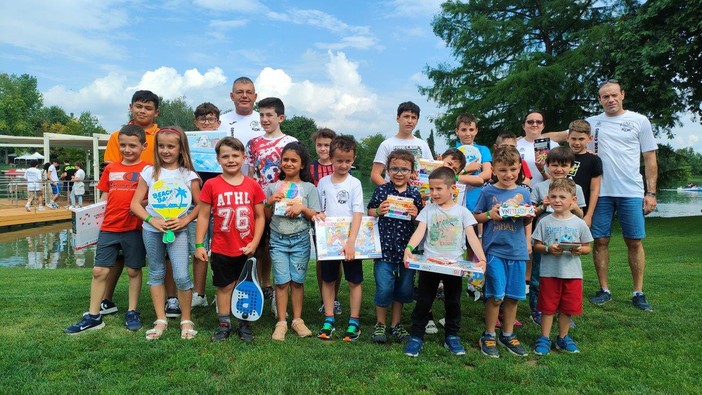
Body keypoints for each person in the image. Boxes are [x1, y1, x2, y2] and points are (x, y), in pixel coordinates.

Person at [100, 90, 183, 318]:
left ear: (156, 112)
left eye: (148, 108)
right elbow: (112, 169)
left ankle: (172, 299)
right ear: (131, 107)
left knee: (165, 251)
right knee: (118, 254)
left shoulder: (163, 135)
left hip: (158, 202)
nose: (142, 111)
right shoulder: (118, 136)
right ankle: (106, 299)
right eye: (139, 106)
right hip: (124, 205)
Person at [64, 125, 149, 334]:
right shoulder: (111, 169)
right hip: (109, 227)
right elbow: (104, 198)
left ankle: (132, 311)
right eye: (123, 145)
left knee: (133, 270)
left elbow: (153, 199)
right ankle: (94, 316)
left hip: (135, 228)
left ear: (143, 146)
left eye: (132, 145)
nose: (127, 150)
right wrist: (88, 219)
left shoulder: (148, 170)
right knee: (99, 270)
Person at [587, 80, 657, 311]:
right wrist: (527, 138)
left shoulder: (639, 121)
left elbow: (649, 159)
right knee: (601, 240)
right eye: (605, 97)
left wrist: (651, 192)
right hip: (601, 193)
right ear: (599, 100)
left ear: (623, 95)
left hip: (631, 191)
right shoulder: (592, 123)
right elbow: (564, 134)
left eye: (614, 95)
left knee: (634, 241)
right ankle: (604, 289)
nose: (610, 100)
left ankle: (638, 292)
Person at [402, 167, 487, 357]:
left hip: (454, 267)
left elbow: (472, 237)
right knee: (423, 301)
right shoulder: (428, 210)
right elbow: (419, 232)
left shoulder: (463, 212)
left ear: (452, 189)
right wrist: (408, 249)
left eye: (439, 189)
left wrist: (481, 259)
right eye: (431, 189)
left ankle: (452, 336)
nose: (434, 193)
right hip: (429, 265)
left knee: (453, 302)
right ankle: (416, 336)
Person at [130, 127, 201, 340]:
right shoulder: (149, 173)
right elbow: (135, 204)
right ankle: (160, 319)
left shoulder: (189, 175)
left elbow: (201, 205)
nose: (165, 150)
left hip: (178, 231)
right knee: (157, 273)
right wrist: (153, 220)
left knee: (181, 274)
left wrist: (185, 220)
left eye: (171, 146)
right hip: (151, 230)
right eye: (161, 146)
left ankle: (186, 320)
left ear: (181, 149)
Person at [195, 137, 265, 342]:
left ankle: (244, 323)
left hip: (246, 248)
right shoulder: (211, 184)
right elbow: (204, 216)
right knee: (224, 287)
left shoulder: (252, 185)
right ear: (218, 159)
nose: (231, 160)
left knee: (246, 286)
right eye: (225, 156)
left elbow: (260, 216)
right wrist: (200, 244)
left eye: (235, 155)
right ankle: (224, 323)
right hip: (221, 247)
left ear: (244, 158)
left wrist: (255, 242)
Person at [474, 146, 533, 358]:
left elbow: (527, 219)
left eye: (513, 169)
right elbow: (477, 216)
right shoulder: (488, 191)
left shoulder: (524, 192)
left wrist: (528, 214)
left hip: (517, 252)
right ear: (494, 171)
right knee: (496, 296)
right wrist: (490, 214)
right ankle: (489, 334)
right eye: (503, 170)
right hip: (495, 251)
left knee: (513, 297)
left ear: (519, 168)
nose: (508, 174)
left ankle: (507, 334)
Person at [264, 142, 321, 340]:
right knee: (281, 283)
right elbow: (263, 216)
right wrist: (270, 202)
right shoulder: (272, 187)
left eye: (294, 160)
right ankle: (281, 322)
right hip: (278, 240)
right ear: (280, 162)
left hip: (300, 241)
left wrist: (302, 209)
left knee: (297, 282)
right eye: (285, 159)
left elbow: (317, 215)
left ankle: (297, 320)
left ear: (302, 164)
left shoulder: (308, 188)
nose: (289, 163)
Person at [367, 149, 423, 344]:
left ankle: (396, 323)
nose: (399, 173)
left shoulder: (415, 194)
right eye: (395, 169)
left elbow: (420, 223)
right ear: (388, 170)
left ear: (412, 172)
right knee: (383, 287)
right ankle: (380, 323)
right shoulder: (381, 190)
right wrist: (377, 210)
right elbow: (370, 211)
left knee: (404, 288)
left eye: (405, 169)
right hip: (383, 250)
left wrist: (416, 214)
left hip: (406, 251)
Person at [532, 179, 593, 355]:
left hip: (572, 273)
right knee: (548, 307)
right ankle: (544, 337)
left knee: (567, 307)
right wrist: (548, 248)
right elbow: (537, 246)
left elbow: (588, 247)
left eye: (562, 197)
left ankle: (563, 337)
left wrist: (580, 250)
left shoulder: (579, 223)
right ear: (548, 198)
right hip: (550, 272)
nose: (557, 200)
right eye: (553, 196)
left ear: (573, 200)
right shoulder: (545, 222)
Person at [246, 97, 298, 304]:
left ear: (281, 117)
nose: (265, 119)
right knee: (259, 244)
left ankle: (280, 287)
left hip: (284, 201)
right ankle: (260, 283)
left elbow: (296, 174)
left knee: (278, 245)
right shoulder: (253, 143)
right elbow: (251, 174)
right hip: (260, 201)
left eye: (269, 115)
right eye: (261, 115)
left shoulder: (291, 142)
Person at [313, 136, 364, 341]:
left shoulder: (355, 183)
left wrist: (351, 241)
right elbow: (319, 208)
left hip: (350, 242)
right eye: (339, 160)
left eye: (348, 161)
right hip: (329, 242)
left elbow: (358, 213)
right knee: (328, 279)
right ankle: (329, 318)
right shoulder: (323, 182)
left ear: (353, 159)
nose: (343, 165)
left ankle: (354, 321)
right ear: (331, 158)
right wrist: (318, 214)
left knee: (354, 280)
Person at [529, 147, 586, 324]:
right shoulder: (540, 187)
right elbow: (531, 213)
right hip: (545, 235)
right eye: (554, 165)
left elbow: (581, 215)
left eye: (564, 165)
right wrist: (542, 205)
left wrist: (573, 205)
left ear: (571, 167)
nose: (559, 169)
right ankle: (537, 309)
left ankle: (564, 312)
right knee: (539, 273)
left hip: (568, 237)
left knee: (565, 274)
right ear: (547, 165)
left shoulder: (576, 188)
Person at [190, 102, 223, 308]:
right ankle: (199, 294)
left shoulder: (225, 142)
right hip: (198, 203)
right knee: (199, 247)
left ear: (218, 122)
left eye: (211, 119)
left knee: (220, 251)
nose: (207, 123)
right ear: (196, 122)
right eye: (202, 119)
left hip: (220, 203)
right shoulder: (189, 142)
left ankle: (223, 293)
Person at [309, 128, 344, 315]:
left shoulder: (341, 165)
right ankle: (325, 299)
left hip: (338, 221)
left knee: (337, 261)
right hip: (318, 222)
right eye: (320, 145)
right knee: (322, 260)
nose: (323, 149)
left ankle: (335, 298)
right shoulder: (310, 168)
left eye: (327, 145)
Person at [371, 101, 433, 186]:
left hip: (418, 195)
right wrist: (390, 191)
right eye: (406, 116)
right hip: (392, 197)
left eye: (413, 117)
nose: (410, 121)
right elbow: (375, 174)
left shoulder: (423, 145)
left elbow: (430, 172)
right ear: (398, 118)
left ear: (417, 121)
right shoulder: (386, 144)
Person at [218, 76, 262, 177]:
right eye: (239, 92)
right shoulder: (220, 122)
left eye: (249, 92)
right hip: (227, 183)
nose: (244, 96)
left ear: (255, 96)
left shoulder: (264, 121)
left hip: (259, 183)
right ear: (232, 96)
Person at [566, 120, 603, 227]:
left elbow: (594, 189)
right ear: (567, 138)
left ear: (589, 139)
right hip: (559, 207)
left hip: (581, 209)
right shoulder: (561, 156)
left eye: (581, 139)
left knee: (581, 242)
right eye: (573, 138)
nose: (577, 143)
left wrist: (589, 215)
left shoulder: (594, 160)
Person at [454, 114, 493, 211]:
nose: (467, 133)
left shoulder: (483, 149)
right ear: (457, 131)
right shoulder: (451, 151)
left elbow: (487, 174)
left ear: (476, 131)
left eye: (471, 130)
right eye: (463, 130)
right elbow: (448, 175)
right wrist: (466, 169)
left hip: (477, 199)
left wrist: (462, 177)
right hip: (456, 199)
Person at [516, 110, 560, 184]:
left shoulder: (554, 146)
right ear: (523, 126)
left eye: (539, 122)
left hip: (548, 191)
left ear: (543, 126)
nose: (534, 124)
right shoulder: (515, 145)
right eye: (530, 122)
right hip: (521, 192)